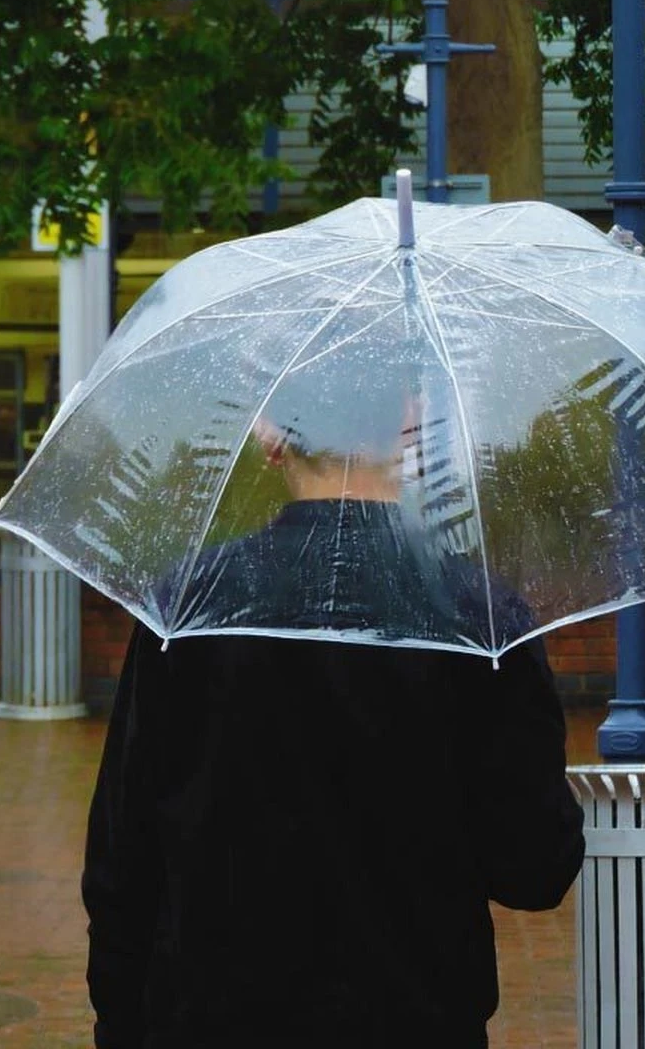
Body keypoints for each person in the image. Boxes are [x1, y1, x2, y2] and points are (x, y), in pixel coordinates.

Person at [81, 366, 586, 1049]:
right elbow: (535, 866)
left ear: (270, 439)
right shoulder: (476, 614)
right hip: (415, 1019)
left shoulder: (192, 606)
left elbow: (123, 854)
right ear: (411, 426)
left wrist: (120, 1020)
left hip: (211, 1018)